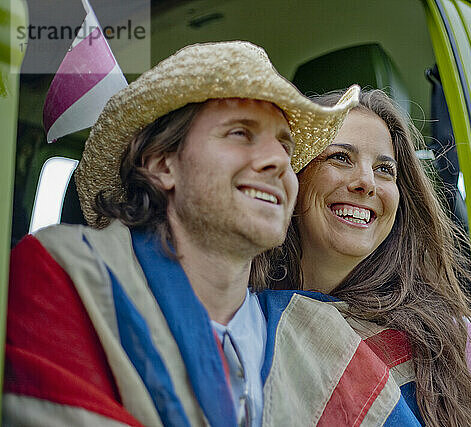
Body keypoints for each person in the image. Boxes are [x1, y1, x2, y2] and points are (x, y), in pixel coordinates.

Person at [5, 41, 427, 426]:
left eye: (285, 145)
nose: (277, 162)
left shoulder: (319, 336)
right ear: (162, 164)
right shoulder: (65, 272)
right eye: (240, 133)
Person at [252, 89, 471, 427]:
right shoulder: (241, 317)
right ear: (292, 175)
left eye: (385, 170)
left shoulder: (436, 345)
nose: (367, 183)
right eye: (340, 157)